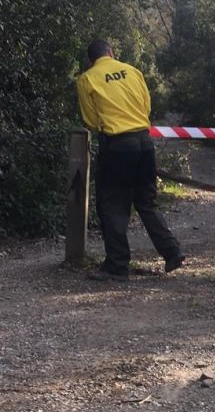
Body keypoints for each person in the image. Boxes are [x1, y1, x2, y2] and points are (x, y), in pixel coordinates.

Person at [76, 40, 184, 281]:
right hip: (144, 142)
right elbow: (146, 107)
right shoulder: (133, 71)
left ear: (90, 60)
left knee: (112, 205)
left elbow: (91, 121)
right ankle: (172, 252)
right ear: (111, 53)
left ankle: (117, 265)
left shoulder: (88, 78)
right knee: (147, 201)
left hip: (117, 145)